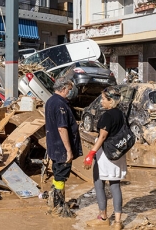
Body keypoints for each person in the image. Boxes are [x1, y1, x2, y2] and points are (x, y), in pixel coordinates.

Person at [83, 87, 127, 230]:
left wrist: (91, 154)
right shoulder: (121, 114)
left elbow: (102, 137)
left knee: (99, 183)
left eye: (103, 99)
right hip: (118, 153)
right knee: (115, 185)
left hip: (105, 154)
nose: (101, 101)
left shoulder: (107, 116)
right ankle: (118, 222)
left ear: (111, 101)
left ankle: (103, 217)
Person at [44, 76, 82, 216]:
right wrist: (68, 150)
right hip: (61, 148)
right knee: (61, 176)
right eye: (70, 89)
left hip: (54, 147)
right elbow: (62, 128)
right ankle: (58, 207)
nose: (71, 92)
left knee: (58, 175)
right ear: (64, 88)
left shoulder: (50, 101)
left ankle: (54, 202)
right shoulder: (60, 105)